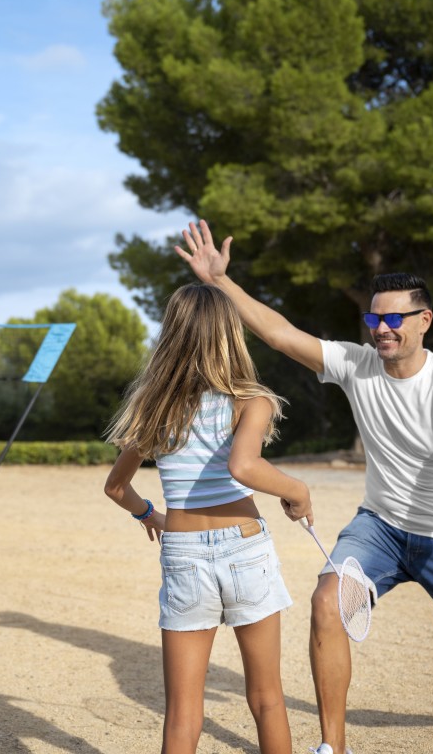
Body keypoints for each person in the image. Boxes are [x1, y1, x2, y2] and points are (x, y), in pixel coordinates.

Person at [177, 219, 433, 754]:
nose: (381, 329)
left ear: (424, 320)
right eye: (374, 318)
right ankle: (334, 747)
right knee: (326, 601)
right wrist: (220, 282)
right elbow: (279, 334)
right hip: (380, 529)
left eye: (393, 318)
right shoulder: (356, 364)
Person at [103, 282, 314, 754]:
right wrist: (298, 492)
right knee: (267, 699)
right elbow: (244, 466)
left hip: (183, 553)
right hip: (244, 545)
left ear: (171, 335)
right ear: (230, 335)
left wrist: (151, 515)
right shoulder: (251, 401)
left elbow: (116, 487)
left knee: (182, 712)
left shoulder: (153, 406)